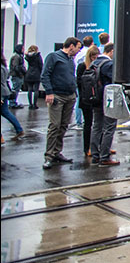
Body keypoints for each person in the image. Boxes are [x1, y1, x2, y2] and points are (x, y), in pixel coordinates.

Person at [41, 37, 83, 169]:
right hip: (57, 96)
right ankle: (49, 156)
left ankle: (56, 152)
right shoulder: (53, 57)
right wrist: (49, 92)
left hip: (70, 95)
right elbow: (45, 75)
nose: (79, 51)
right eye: (78, 48)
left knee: (64, 125)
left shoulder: (70, 60)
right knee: (55, 125)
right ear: (71, 46)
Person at [90, 43, 119, 167]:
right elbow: (115, 80)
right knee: (109, 127)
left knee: (96, 127)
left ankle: (95, 155)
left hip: (95, 99)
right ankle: (104, 157)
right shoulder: (108, 64)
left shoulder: (94, 63)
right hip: (107, 100)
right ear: (111, 51)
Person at [76, 45, 100, 158]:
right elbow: (79, 83)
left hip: (94, 98)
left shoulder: (96, 67)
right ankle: (87, 148)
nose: (95, 59)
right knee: (88, 123)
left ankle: (98, 146)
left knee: (98, 124)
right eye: (93, 57)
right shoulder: (82, 66)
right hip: (86, 99)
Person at [1, 52, 25, 142]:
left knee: (6, 112)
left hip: (2, 93)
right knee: (6, 112)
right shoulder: (4, 67)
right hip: (5, 92)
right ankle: (19, 129)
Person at [71, 36, 94, 130]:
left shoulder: (78, 54)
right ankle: (84, 121)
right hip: (87, 80)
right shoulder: (88, 53)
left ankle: (78, 122)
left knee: (79, 100)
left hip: (77, 77)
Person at [9, 44, 26, 108]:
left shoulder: (18, 56)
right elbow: (15, 66)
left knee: (16, 89)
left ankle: (13, 102)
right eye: (22, 48)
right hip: (16, 76)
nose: (23, 50)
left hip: (17, 75)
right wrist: (21, 73)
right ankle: (12, 103)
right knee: (15, 89)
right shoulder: (17, 57)